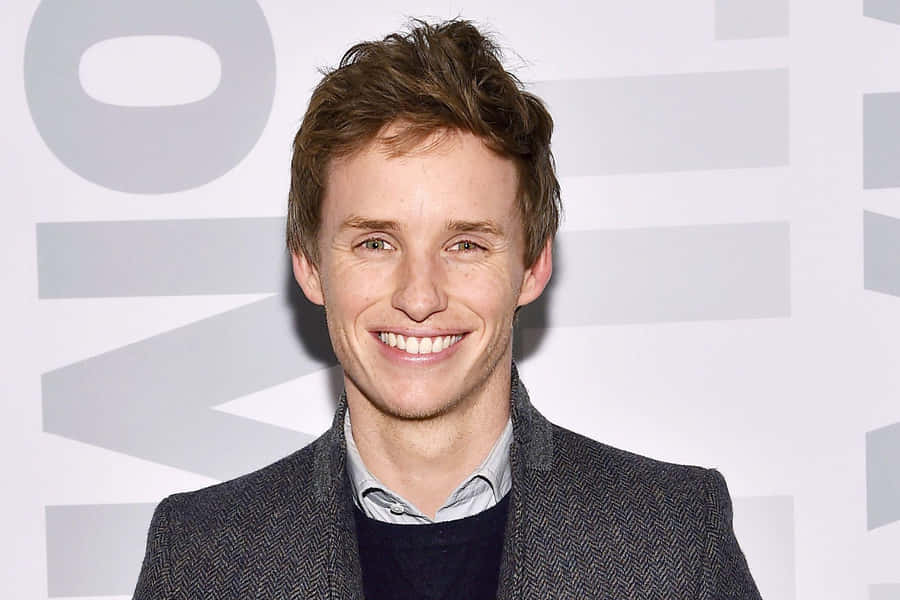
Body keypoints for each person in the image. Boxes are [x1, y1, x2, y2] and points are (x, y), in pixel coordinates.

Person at [133, 18, 761, 600]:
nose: (419, 296)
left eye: (464, 244)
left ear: (534, 266)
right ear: (309, 264)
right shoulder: (198, 560)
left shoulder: (675, 543)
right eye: (377, 243)